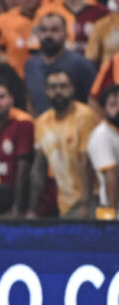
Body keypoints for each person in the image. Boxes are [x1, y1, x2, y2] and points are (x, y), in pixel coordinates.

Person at [28, 70, 100, 218]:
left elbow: (88, 162)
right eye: (53, 87)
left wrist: (86, 204)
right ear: (46, 91)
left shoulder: (85, 116)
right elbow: (39, 168)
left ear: (72, 88)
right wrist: (33, 210)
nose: (58, 91)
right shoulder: (42, 122)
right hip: (65, 204)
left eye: (63, 86)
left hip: (92, 199)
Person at [0, 79, 34, 217]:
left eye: (1, 97)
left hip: (20, 201)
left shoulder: (23, 122)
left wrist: (17, 208)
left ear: (11, 99)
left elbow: (23, 170)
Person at [24, 13, 96, 115]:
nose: (48, 35)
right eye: (44, 30)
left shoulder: (81, 65)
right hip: (43, 127)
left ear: (66, 34)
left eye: (54, 30)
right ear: (38, 34)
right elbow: (31, 102)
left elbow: (94, 102)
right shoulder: (30, 65)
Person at [87, 85, 119, 220]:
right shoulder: (101, 135)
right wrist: (112, 216)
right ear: (103, 110)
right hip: (113, 208)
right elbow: (111, 175)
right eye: (113, 104)